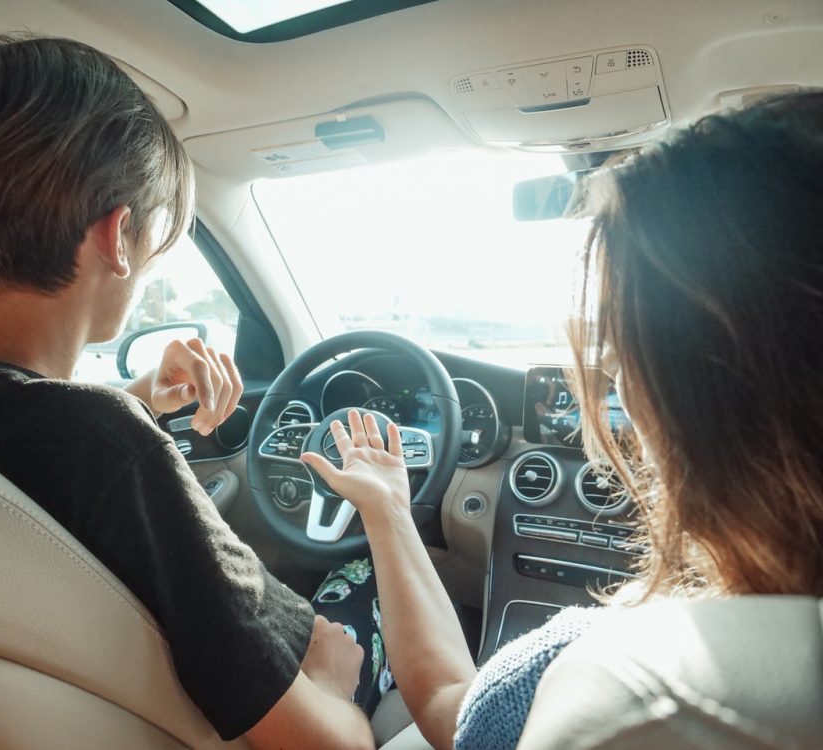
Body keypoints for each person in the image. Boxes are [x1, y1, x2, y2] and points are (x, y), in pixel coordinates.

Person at [0, 35, 375, 750]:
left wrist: (134, 398)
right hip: (290, 708)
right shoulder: (109, 448)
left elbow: (9, 424)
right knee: (364, 579)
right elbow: (331, 744)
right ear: (119, 236)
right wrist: (335, 681)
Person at [302, 89, 823, 750]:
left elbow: (441, 704)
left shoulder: (603, 672)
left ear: (680, 397)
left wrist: (388, 512)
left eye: (621, 355)